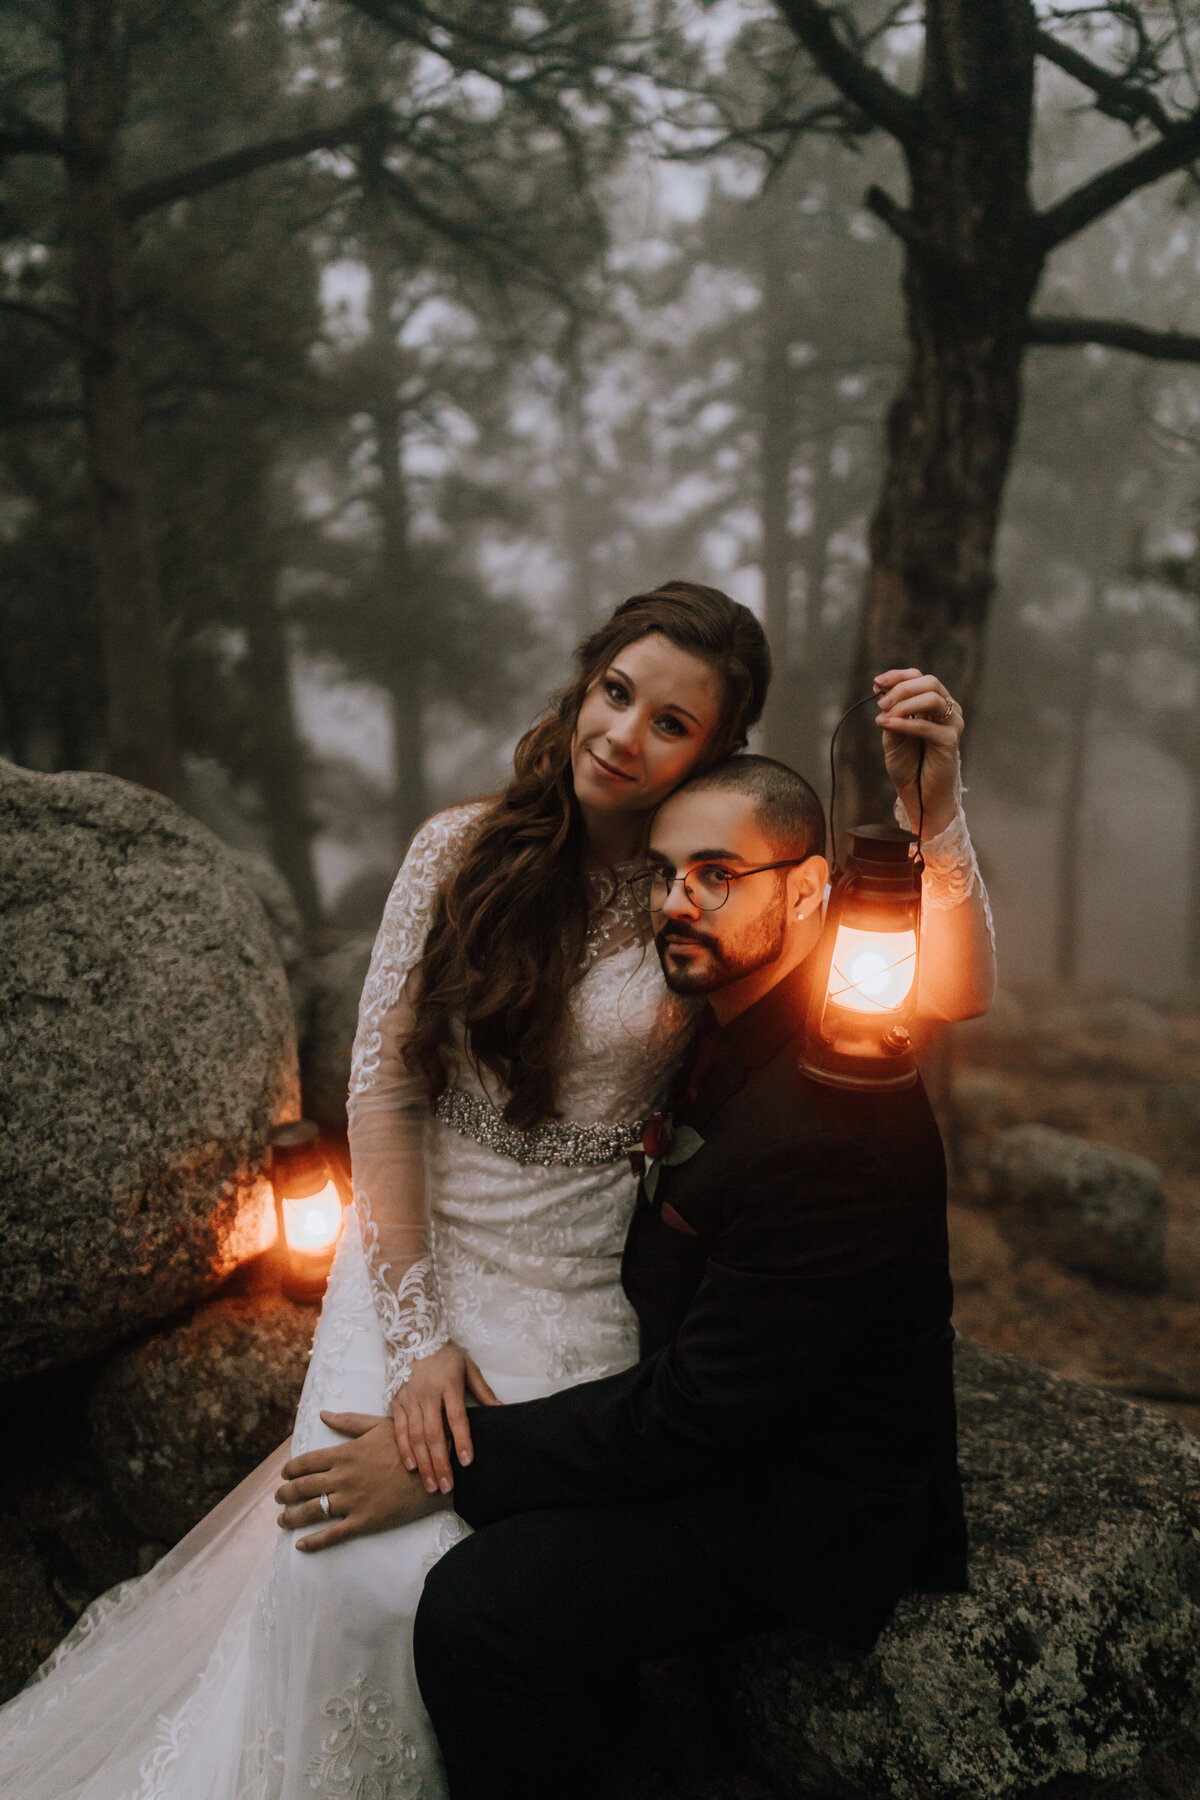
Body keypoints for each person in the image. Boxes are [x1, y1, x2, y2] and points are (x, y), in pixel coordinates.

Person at [0, 580, 990, 1800]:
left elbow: (934, 988)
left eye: (669, 724)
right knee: (340, 1571)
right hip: (418, 1254)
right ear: (583, 682)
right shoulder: (460, 851)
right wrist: (419, 1337)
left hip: (576, 1278)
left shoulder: (714, 887)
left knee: (479, 1573)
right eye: (615, 692)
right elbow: (383, 1093)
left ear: (716, 752)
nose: (623, 735)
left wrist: (931, 812)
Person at [277, 753, 971, 1800]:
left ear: (809, 890)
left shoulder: (833, 1115)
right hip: (719, 1406)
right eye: (662, 874)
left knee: (482, 1608)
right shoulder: (729, 1019)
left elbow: (697, 1420)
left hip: (796, 1495)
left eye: (716, 875)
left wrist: (443, 1465)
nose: (675, 904)